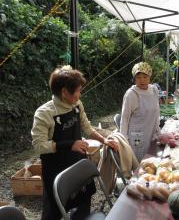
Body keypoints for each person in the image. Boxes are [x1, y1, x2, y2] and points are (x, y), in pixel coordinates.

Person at [31, 65, 119, 220]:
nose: (80, 94)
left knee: (83, 202)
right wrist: (69, 144)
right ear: (64, 92)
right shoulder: (45, 113)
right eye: (77, 90)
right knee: (54, 211)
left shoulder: (77, 105)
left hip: (77, 163)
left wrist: (104, 140)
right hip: (56, 170)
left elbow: (86, 126)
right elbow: (38, 145)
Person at [120, 62, 160, 161]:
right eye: (138, 77)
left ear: (150, 77)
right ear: (134, 78)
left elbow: (157, 111)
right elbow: (124, 118)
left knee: (151, 161)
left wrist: (157, 129)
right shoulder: (132, 94)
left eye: (145, 77)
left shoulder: (154, 90)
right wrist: (124, 141)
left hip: (151, 132)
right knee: (139, 164)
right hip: (137, 137)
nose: (142, 80)